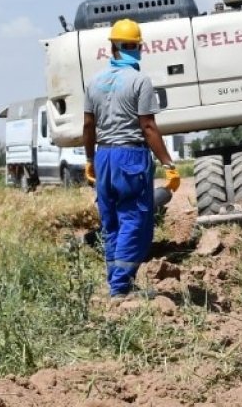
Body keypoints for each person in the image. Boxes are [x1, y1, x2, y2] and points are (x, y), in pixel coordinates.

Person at [83, 18, 180, 297]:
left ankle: (116, 284)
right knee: (135, 221)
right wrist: (168, 164)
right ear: (138, 48)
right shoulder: (139, 81)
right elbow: (148, 127)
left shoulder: (94, 83)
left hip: (104, 155)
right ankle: (121, 288)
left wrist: (90, 159)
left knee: (111, 221)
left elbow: (88, 126)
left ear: (111, 48)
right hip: (130, 156)